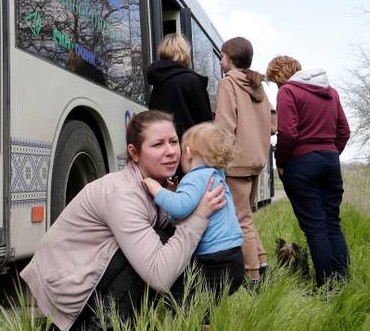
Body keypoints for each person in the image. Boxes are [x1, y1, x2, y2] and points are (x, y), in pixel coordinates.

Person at [20, 110, 226, 331]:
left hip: (88, 274)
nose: (170, 151)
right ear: (134, 153)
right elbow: (159, 274)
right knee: (164, 242)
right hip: (66, 290)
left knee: (169, 238)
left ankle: (182, 327)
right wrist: (198, 217)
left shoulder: (154, 186)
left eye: (173, 141)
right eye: (157, 144)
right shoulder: (123, 194)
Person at [265, 56, 351, 287]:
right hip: (330, 162)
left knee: (315, 228)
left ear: (279, 75)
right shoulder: (330, 92)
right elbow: (344, 130)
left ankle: (325, 286)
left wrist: (281, 161)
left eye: (274, 81)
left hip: (302, 164)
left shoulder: (288, 91)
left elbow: (289, 134)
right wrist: (330, 152)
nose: (277, 86)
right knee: (333, 223)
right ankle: (342, 281)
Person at [141, 123, 244, 310]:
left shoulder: (195, 177)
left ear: (187, 152)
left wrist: (157, 190)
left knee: (186, 299)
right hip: (234, 258)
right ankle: (210, 329)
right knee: (209, 303)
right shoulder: (216, 176)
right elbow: (190, 205)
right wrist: (176, 193)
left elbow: (180, 209)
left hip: (214, 260)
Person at [215, 37, 276, 286]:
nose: (220, 60)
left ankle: (252, 277)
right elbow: (274, 124)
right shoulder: (257, 86)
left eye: (222, 55)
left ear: (230, 58)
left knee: (240, 219)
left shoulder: (228, 84)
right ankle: (261, 262)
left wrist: (216, 157)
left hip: (236, 162)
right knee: (247, 217)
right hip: (256, 161)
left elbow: (225, 127)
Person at [146, 33, 213, 141]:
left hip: (164, 146)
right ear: (184, 52)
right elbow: (206, 124)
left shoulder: (158, 83)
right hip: (190, 148)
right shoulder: (192, 81)